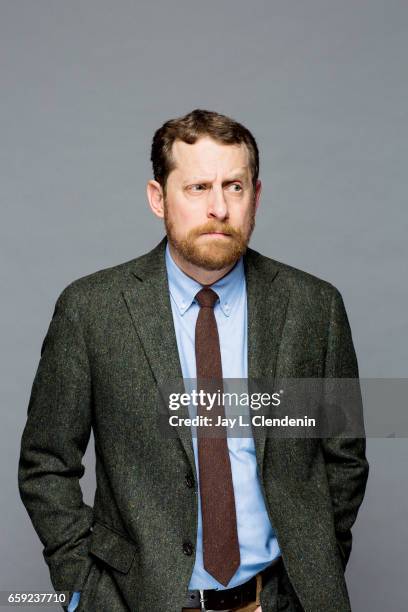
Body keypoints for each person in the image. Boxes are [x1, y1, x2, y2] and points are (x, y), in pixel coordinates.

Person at [18, 109, 369, 612]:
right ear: (158, 198)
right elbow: (45, 462)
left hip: (281, 600)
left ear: (257, 196)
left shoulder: (315, 307)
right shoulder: (91, 311)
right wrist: (85, 588)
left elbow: (345, 457)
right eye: (198, 188)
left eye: (234, 187)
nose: (219, 209)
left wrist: (316, 563)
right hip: (139, 600)